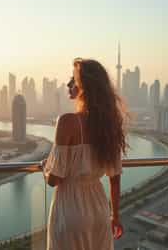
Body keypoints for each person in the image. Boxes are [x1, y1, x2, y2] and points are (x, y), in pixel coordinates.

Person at [42, 58, 127, 250]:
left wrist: (44, 168)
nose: (68, 84)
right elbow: (115, 178)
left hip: (70, 212)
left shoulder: (67, 122)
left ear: (84, 87)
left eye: (73, 80)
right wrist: (115, 217)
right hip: (99, 211)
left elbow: (54, 179)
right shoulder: (109, 126)